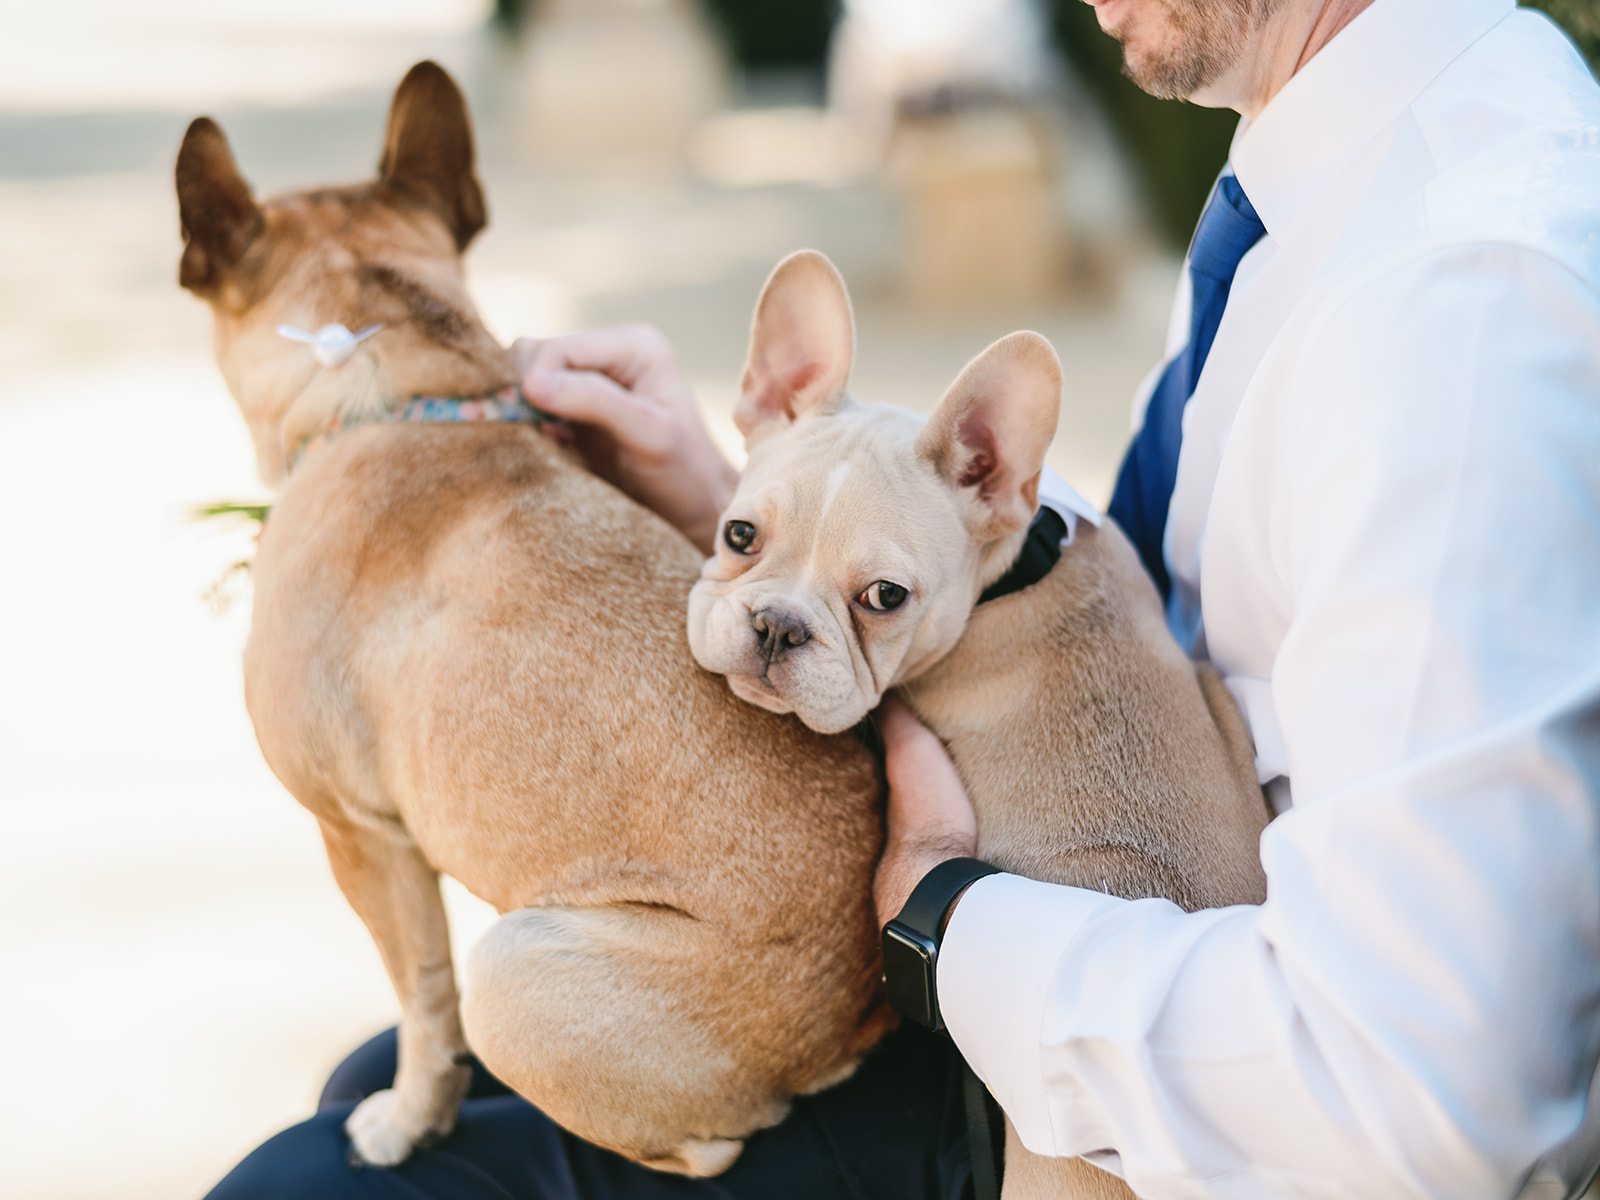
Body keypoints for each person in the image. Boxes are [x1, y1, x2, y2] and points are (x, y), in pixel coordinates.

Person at [207, 0, 1600, 1196]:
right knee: (376, 1076)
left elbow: (1432, 1094)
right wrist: (757, 513)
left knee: (310, 1183)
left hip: (1139, 1119)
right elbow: (1186, 618)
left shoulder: (1459, 301)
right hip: (1093, 970)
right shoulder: (1341, 165)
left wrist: (947, 924)